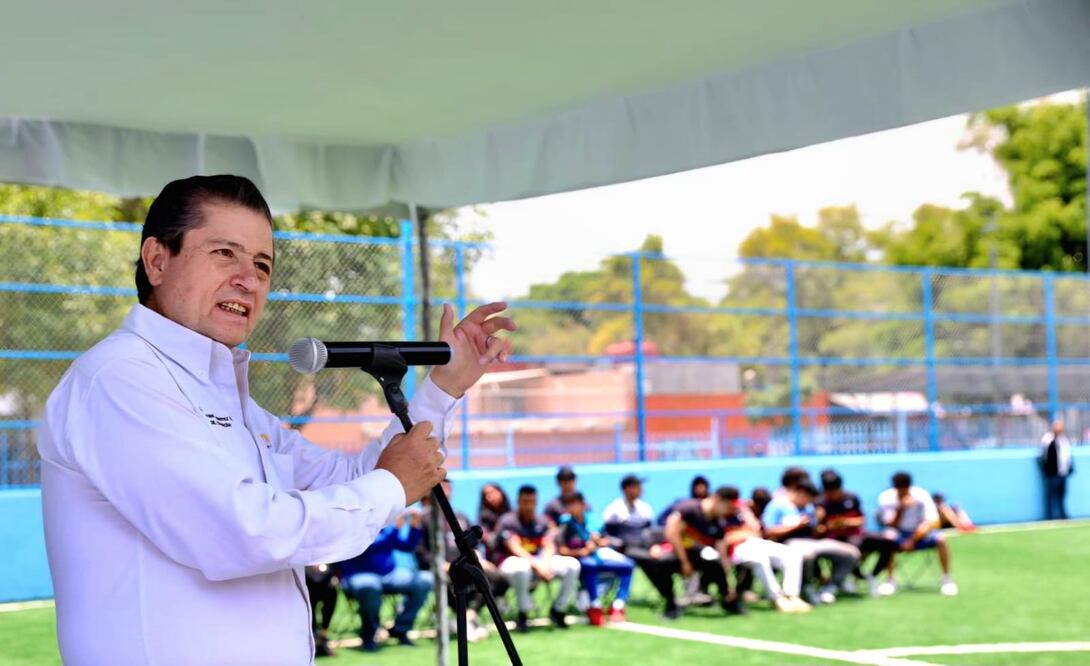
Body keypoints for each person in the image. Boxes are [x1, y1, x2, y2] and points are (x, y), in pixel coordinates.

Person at [36, 175, 516, 665]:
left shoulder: (230, 401)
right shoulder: (119, 379)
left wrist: (443, 389)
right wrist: (392, 486)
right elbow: (242, 532)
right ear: (157, 260)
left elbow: (355, 479)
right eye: (224, 253)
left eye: (262, 264)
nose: (248, 279)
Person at [417, 479, 504, 642]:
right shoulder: (425, 519)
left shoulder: (460, 517)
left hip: (466, 564)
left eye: (447, 486)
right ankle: (462, 620)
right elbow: (421, 551)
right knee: (452, 582)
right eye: (441, 486)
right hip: (441, 568)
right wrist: (439, 563)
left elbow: (472, 544)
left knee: (497, 578)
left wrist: (478, 558)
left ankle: (471, 615)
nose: (445, 489)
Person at [339, 511, 432, 651]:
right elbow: (368, 545)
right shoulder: (351, 522)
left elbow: (406, 546)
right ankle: (369, 634)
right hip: (358, 575)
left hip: (389, 574)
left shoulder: (384, 525)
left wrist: (414, 527)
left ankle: (400, 628)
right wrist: (394, 528)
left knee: (425, 579)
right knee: (370, 585)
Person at [496, 485, 580, 632]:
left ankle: (558, 610)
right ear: (518, 501)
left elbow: (549, 545)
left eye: (532, 501)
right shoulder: (508, 521)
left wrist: (545, 564)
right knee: (522, 567)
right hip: (512, 564)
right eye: (525, 501)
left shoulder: (542, 520)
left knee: (572, 565)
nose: (529, 505)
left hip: (540, 563)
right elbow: (514, 547)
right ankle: (523, 613)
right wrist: (538, 566)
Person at [764, 479, 860, 605]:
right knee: (806, 554)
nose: (809, 502)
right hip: (788, 542)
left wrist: (819, 521)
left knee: (851, 552)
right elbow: (768, 531)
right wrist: (796, 526)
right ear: (800, 493)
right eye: (808, 498)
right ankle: (807, 587)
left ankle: (831, 587)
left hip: (813, 541)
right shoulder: (778, 505)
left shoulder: (809, 508)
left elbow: (815, 532)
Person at [718, 486, 810, 614]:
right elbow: (724, 539)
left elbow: (756, 530)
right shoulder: (717, 517)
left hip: (752, 542)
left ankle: (791, 595)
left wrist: (744, 511)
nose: (732, 506)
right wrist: (740, 534)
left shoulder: (740, 510)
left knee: (792, 554)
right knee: (760, 559)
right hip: (735, 550)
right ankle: (777, 598)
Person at [601, 475, 681, 619]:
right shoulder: (614, 509)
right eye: (637, 486)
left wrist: (655, 546)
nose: (641, 490)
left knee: (663, 561)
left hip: (644, 548)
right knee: (648, 561)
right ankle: (670, 600)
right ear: (627, 489)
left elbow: (651, 534)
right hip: (623, 550)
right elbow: (608, 536)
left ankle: (670, 599)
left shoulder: (644, 508)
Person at [556, 492, 636, 625]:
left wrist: (598, 542)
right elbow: (562, 550)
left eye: (574, 505)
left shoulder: (592, 519)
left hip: (597, 556)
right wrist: (582, 551)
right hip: (580, 562)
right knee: (590, 564)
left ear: (583, 505)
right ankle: (595, 606)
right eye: (569, 505)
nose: (572, 508)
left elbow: (602, 538)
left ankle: (618, 605)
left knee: (628, 565)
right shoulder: (566, 524)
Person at [816, 469, 898, 596]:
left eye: (835, 491)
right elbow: (819, 527)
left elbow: (861, 520)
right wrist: (824, 522)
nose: (833, 495)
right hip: (835, 539)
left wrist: (845, 522)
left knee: (889, 542)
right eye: (829, 492)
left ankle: (871, 576)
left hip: (857, 534)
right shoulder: (820, 502)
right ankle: (852, 576)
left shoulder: (851, 497)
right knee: (854, 547)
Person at [878, 472, 958, 596]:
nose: (901, 491)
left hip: (920, 535)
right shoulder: (886, 497)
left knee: (941, 539)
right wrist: (901, 509)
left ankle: (946, 579)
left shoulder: (921, 495)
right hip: (899, 534)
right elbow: (889, 525)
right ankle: (890, 580)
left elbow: (931, 522)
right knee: (888, 538)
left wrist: (912, 540)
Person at [663, 487, 739, 616]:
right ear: (717, 499)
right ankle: (670, 604)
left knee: (714, 560)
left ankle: (727, 600)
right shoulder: (689, 508)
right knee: (661, 563)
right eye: (728, 506)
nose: (729, 511)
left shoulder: (718, 522)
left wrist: (730, 585)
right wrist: (684, 562)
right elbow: (671, 532)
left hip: (696, 557)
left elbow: (722, 555)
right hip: (672, 552)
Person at [1039, 420, 1075, 520]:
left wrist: (1069, 468)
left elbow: (1067, 456)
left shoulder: (1064, 440)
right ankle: (1050, 516)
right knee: (1051, 495)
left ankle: (1062, 514)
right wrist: (1047, 470)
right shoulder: (1048, 439)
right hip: (1052, 473)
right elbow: (1044, 457)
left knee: (1062, 494)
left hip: (1063, 473)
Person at [304, 564, 338, 658]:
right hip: (307, 579)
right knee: (309, 605)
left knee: (331, 594)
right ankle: (314, 637)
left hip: (326, 579)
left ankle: (323, 635)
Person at [478, 482, 512, 564]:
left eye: (492, 492)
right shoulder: (484, 520)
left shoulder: (512, 515)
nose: (489, 497)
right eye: (486, 495)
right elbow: (490, 541)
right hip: (497, 559)